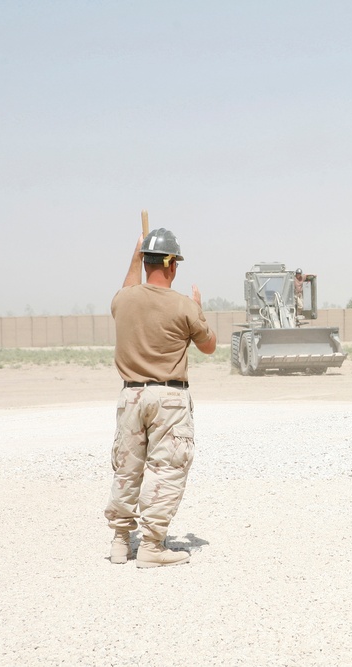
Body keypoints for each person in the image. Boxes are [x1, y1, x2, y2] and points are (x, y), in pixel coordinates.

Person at [104, 227, 217, 568]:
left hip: (131, 397)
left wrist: (135, 252)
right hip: (169, 399)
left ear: (144, 260)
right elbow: (209, 346)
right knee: (166, 470)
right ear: (172, 265)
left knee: (127, 469)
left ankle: (120, 542)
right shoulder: (183, 306)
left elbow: (128, 287)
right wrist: (198, 310)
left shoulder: (123, 300)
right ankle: (152, 545)